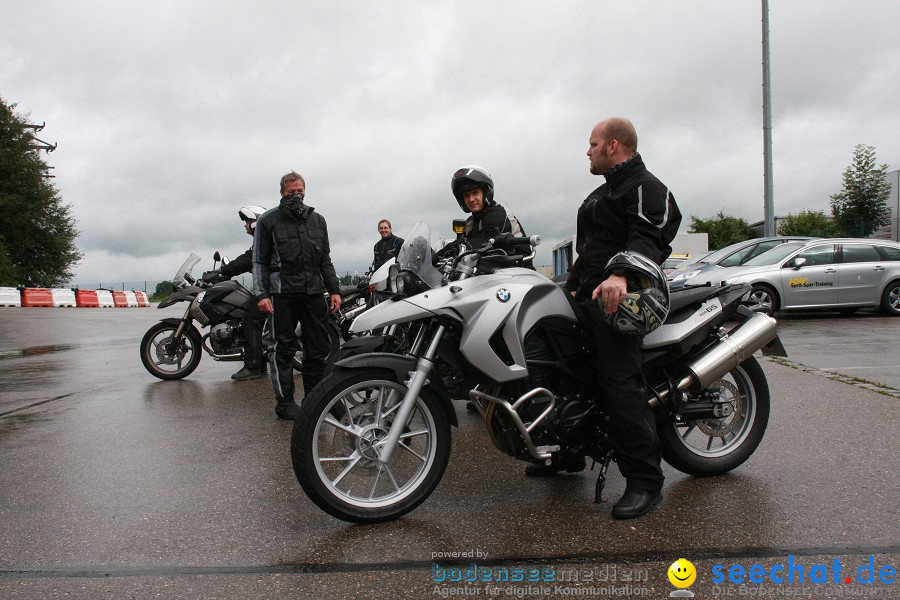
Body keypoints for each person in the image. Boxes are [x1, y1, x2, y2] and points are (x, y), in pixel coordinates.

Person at [550, 118, 682, 521]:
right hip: (587, 295)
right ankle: (566, 453)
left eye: (591, 144)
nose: (586, 151)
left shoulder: (646, 187)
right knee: (561, 369)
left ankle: (646, 482)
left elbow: (650, 235)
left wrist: (622, 274)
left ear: (612, 145)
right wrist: (571, 286)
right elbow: (588, 249)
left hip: (622, 301)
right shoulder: (599, 194)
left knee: (619, 382)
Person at [252, 172, 342, 421]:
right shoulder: (268, 221)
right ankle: (285, 402)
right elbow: (259, 261)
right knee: (282, 348)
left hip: (313, 291)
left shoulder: (318, 220)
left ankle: (313, 399)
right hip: (282, 293)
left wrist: (334, 289)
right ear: (282, 192)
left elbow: (325, 259)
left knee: (317, 349)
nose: (297, 195)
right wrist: (262, 293)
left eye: (300, 191)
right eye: (292, 192)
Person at [202, 206, 268, 381]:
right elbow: (248, 259)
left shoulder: (264, 240)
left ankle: (253, 366)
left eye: (247, 221)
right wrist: (226, 271)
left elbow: (248, 259)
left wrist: (223, 271)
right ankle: (260, 360)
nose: (245, 225)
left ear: (256, 223)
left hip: (271, 289)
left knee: (251, 320)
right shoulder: (263, 239)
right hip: (270, 287)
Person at [449, 165, 525, 250]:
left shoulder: (497, 214)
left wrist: (456, 248)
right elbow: (460, 242)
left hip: (516, 262)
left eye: (475, 193)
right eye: (466, 196)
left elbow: (483, 240)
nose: (471, 199)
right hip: (488, 262)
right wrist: (435, 255)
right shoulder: (471, 222)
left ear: (486, 193)